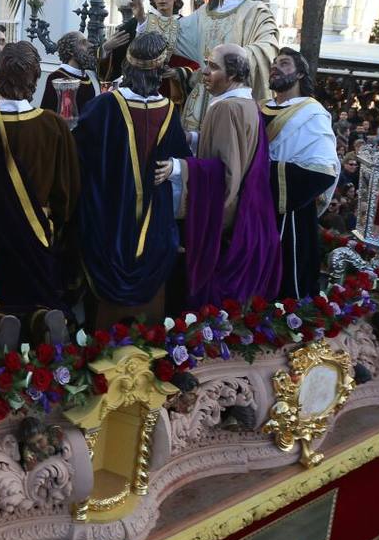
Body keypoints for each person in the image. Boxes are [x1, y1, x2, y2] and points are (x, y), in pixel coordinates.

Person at [0, 41, 79, 349]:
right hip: (39, 236)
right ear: (34, 79)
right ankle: (43, 317)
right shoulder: (53, 125)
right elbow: (67, 192)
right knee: (39, 293)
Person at [76, 31, 190, 327]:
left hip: (108, 225)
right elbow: (183, 159)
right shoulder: (169, 112)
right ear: (159, 70)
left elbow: (79, 157)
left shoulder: (103, 106)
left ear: (127, 66)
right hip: (154, 232)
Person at [162, 43, 280, 307]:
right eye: (206, 63)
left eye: (213, 67)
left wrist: (178, 167)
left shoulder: (226, 108)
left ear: (234, 75)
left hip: (228, 230)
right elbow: (233, 148)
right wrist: (194, 138)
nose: (204, 72)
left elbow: (227, 173)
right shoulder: (245, 103)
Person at [261, 48, 338, 299]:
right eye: (274, 64)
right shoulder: (261, 107)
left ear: (299, 74)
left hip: (290, 214)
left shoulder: (311, 113)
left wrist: (264, 174)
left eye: (283, 64)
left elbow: (323, 170)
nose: (275, 67)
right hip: (253, 204)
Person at [174, 0, 279, 130]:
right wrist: (142, 21)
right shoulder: (204, 13)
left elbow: (268, 46)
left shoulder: (255, 11)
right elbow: (175, 32)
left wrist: (231, 61)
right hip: (200, 101)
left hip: (232, 98)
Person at [40, 31, 101, 118]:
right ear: (71, 51)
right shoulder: (57, 77)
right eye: (83, 43)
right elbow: (48, 115)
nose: (90, 46)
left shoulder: (87, 76)